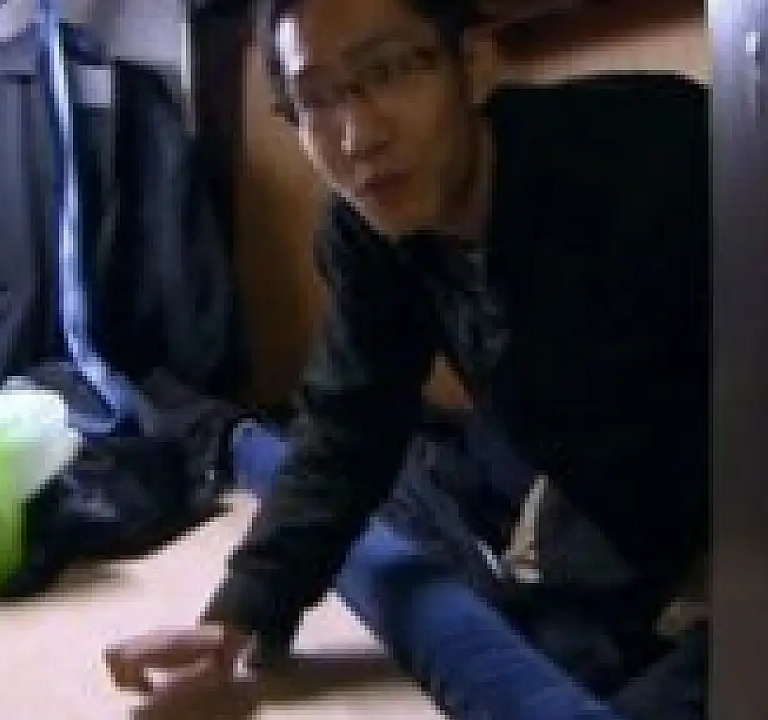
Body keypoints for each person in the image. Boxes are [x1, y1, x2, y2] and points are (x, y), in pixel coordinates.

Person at [105, 0, 710, 714]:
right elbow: (348, 424)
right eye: (315, 99)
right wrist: (236, 621)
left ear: (473, 64)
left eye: (389, 71)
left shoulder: (653, 157)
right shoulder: (366, 229)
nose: (358, 137)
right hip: (598, 498)